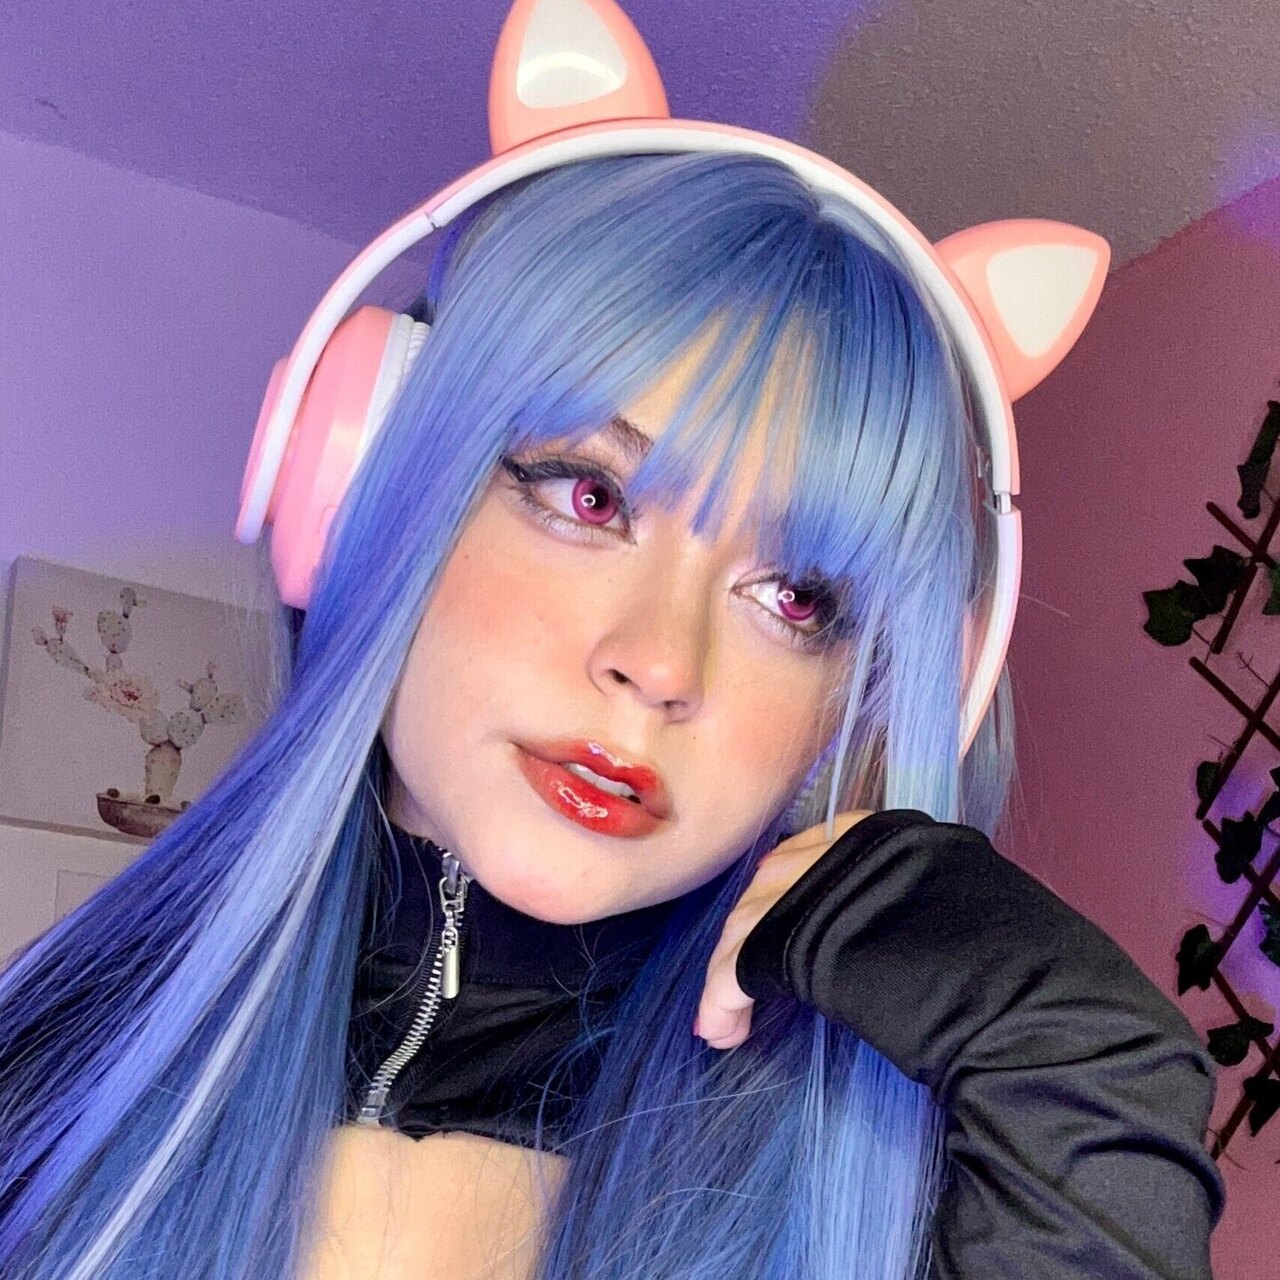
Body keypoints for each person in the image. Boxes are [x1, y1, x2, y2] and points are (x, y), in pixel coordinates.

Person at [0, 3, 1224, 1278]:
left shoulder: (886, 1201)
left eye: (794, 597)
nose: (661, 664)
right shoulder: (55, 1063)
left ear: (863, 709)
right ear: (362, 482)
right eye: (590, 496)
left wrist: (1068, 1050)